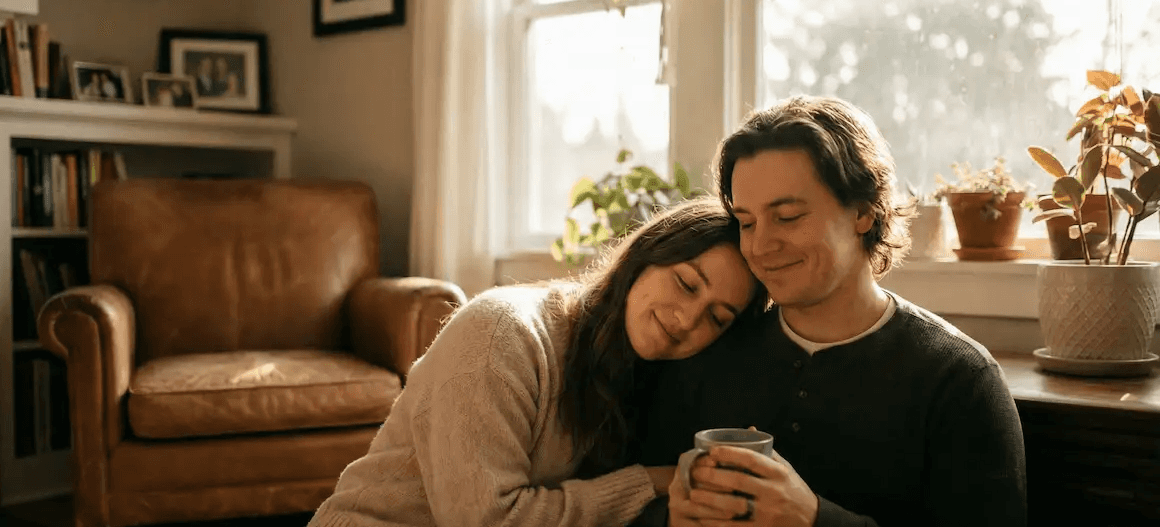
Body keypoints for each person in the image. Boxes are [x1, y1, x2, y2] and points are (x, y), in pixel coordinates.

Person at [632, 95, 1028, 527]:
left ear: (862, 210)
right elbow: (639, 507)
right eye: (747, 223)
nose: (761, 247)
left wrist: (813, 519)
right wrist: (672, 517)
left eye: (787, 217)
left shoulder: (959, 380)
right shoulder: (708, 356)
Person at [307, 197, 768, 527]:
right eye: (687, 284)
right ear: (645, 258)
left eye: (717, 317)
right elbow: (485, 520)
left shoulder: (646, 372)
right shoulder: (501, 333)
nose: (688, 319)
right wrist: (649, 483)